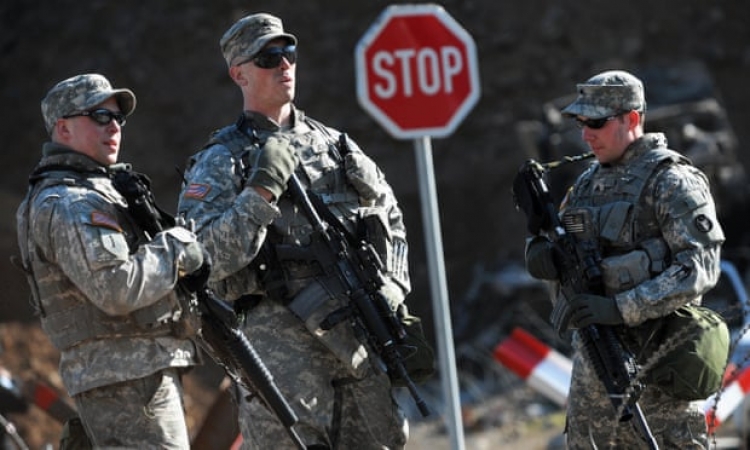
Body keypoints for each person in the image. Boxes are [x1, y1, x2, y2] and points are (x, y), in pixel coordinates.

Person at [177, 12, 430, 450]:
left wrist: (392, 286)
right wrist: (261, 192)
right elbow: (203, 260)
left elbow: (389, 218)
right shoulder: (222, 159)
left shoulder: (337, 146)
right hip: (278, 343)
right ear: (239, 74)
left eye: (288, 52)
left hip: (356, 334)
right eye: (268, 57)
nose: (283, 65)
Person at [524, 70, 725, 448]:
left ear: (631, 119)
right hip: (594, 374)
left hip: (659, 373)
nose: (586, 134)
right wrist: (541, 253)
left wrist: (620, 307)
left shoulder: (672, 181)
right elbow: (564, 249)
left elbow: (700, 266)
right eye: (581, 123)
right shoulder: (586, 184)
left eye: (596, 122)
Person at [16, 73, 206, 449]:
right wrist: (177, 246)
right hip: (126, 378)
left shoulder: (93, 190)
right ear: (63, 128)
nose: (114, 126)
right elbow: (117, 287)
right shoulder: (70, 202)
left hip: (132, 373)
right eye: (99, 116)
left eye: (118, 117)